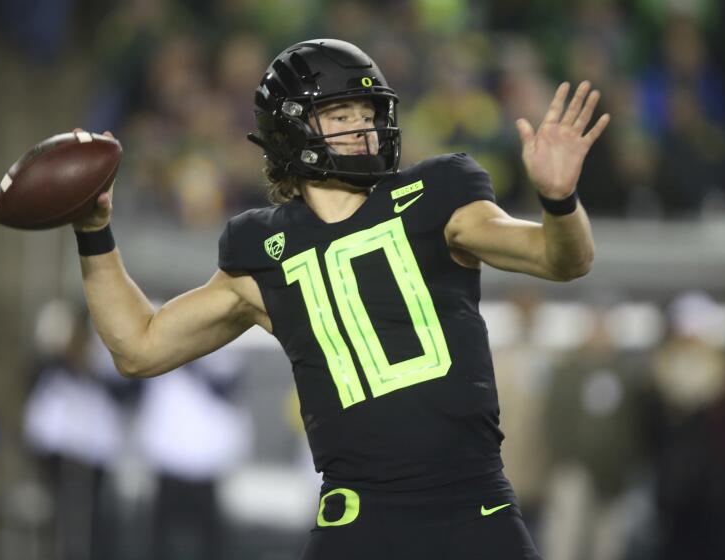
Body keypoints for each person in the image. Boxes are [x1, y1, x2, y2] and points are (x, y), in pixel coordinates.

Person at [72, 39, 609, 560]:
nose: (362, 127)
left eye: (366, 112)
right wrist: (95, 232)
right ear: (291, 129)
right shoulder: (261, 250)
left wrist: (559, 200)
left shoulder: (438, 196)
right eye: (339, 113)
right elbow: (137, 347)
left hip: (472, 507)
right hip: (357, 519)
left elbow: (561, 259)